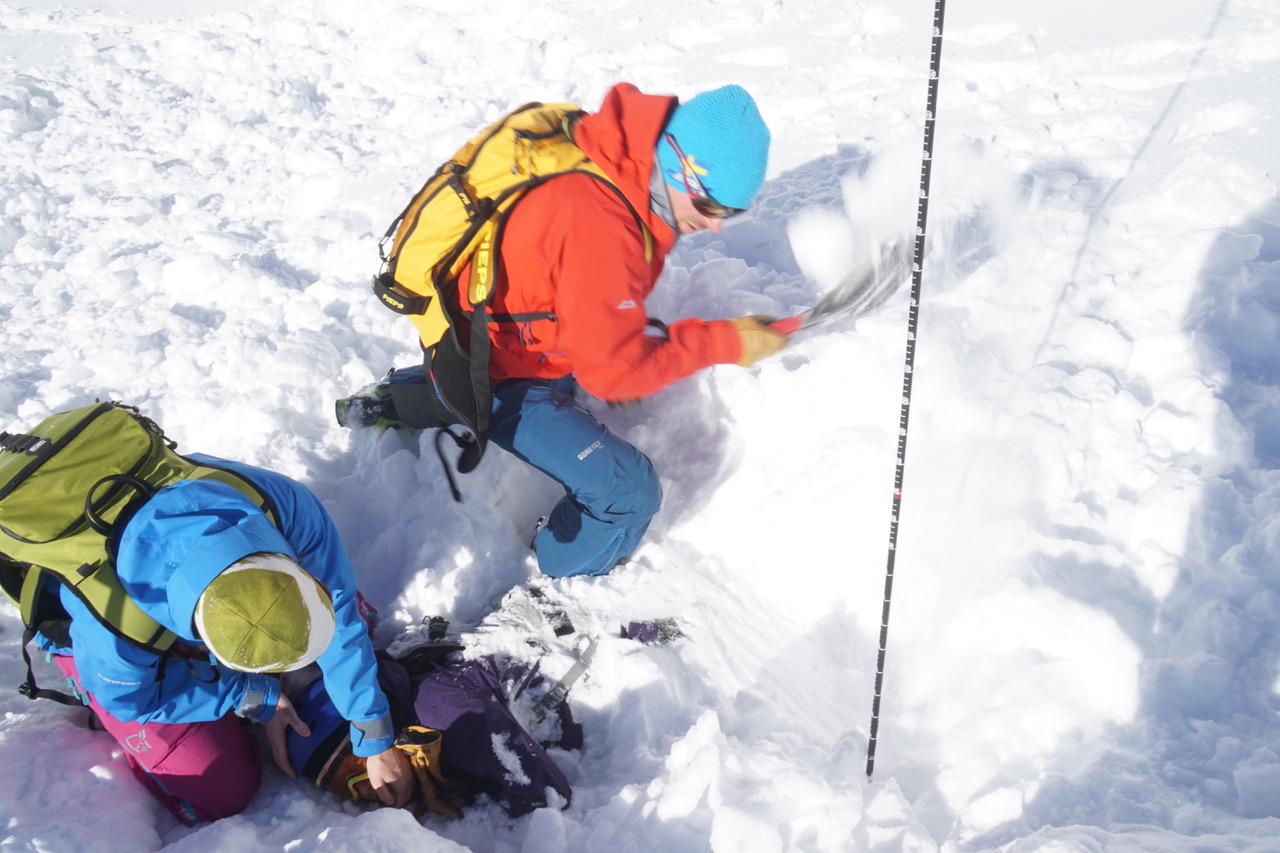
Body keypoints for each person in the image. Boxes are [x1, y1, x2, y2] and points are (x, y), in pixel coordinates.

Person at [357, 82, 789, 579]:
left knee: (530, 382)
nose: (715, 226)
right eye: (712, 207)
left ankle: (392, 401)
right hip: (500, 370)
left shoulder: (615, 160)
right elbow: (613, 376)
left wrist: (620, 339)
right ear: (680, 167)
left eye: (732, 214)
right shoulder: (602, 221)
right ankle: (555, 581)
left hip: (477, 340)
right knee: (629, 493)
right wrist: (728, 342)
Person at [37, 456, 413, 826]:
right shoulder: (116, 627)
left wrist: (373, 730)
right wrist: (253, 697)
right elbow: (130, 700)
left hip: (185, 531)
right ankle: (77, 665)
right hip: (93, 629)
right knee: (222, 788)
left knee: (355, 622)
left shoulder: (283, 506)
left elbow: (341, 613)